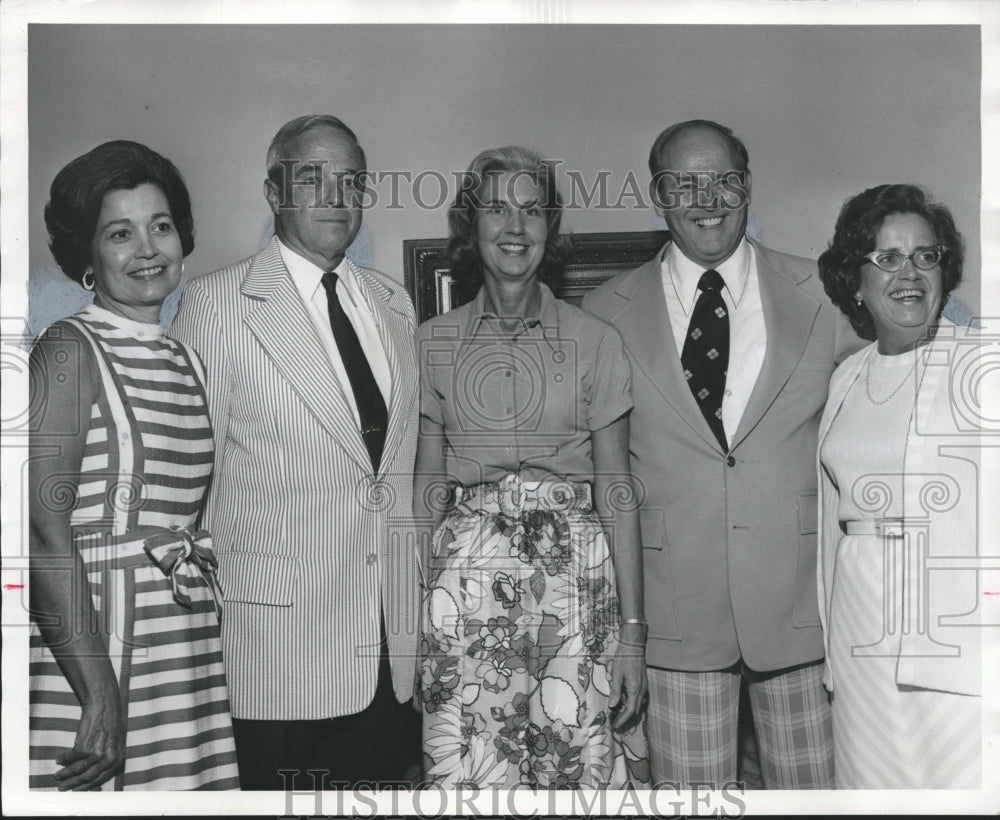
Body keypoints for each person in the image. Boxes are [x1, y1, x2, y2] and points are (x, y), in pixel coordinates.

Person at [583, 120, 862, 789]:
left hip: (804, 615)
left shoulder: (823, 297)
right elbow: (604, 476)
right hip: (676, 617)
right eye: (683, 181)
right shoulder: (602, 313)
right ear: (657, 195)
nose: (706, 196)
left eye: (723, 178)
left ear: (748, 186)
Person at [170, 115, 421, 790]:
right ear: (274, 190)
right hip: (274, 653)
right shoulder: (217, 306)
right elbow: (193, 489)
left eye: (351, 181)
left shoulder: (395, 306)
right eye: (313, 177)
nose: (336, 196)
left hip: (385, 651)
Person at [414, 146, 650, 788]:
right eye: (496, 209)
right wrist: (410, 624)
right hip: (462, 594)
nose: (514, 227)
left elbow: (617, 490)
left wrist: (633, 633)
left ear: (551, 227)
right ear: (470, 226)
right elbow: (426, 492)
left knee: (573, 767)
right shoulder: (432, 342)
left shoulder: (597, 341)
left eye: (532, 210)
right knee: (474, 775)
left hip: (576, 591)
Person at [28, 140, 240, 790]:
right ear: (88, 256)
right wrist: (98, 691)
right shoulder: (68, 348)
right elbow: (40, 533)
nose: (146, 249)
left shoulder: (187, 360)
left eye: (161, 226)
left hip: (183, 652)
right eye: (120, 233)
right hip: (100, 651)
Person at [816, 184, 988, 788]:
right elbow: (829, 521)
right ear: (855, 282)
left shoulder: (981, 365)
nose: (910, 273)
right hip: (860, 625)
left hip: (957, 640)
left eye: (925, 255)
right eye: (887, 258)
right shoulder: (847, 377)